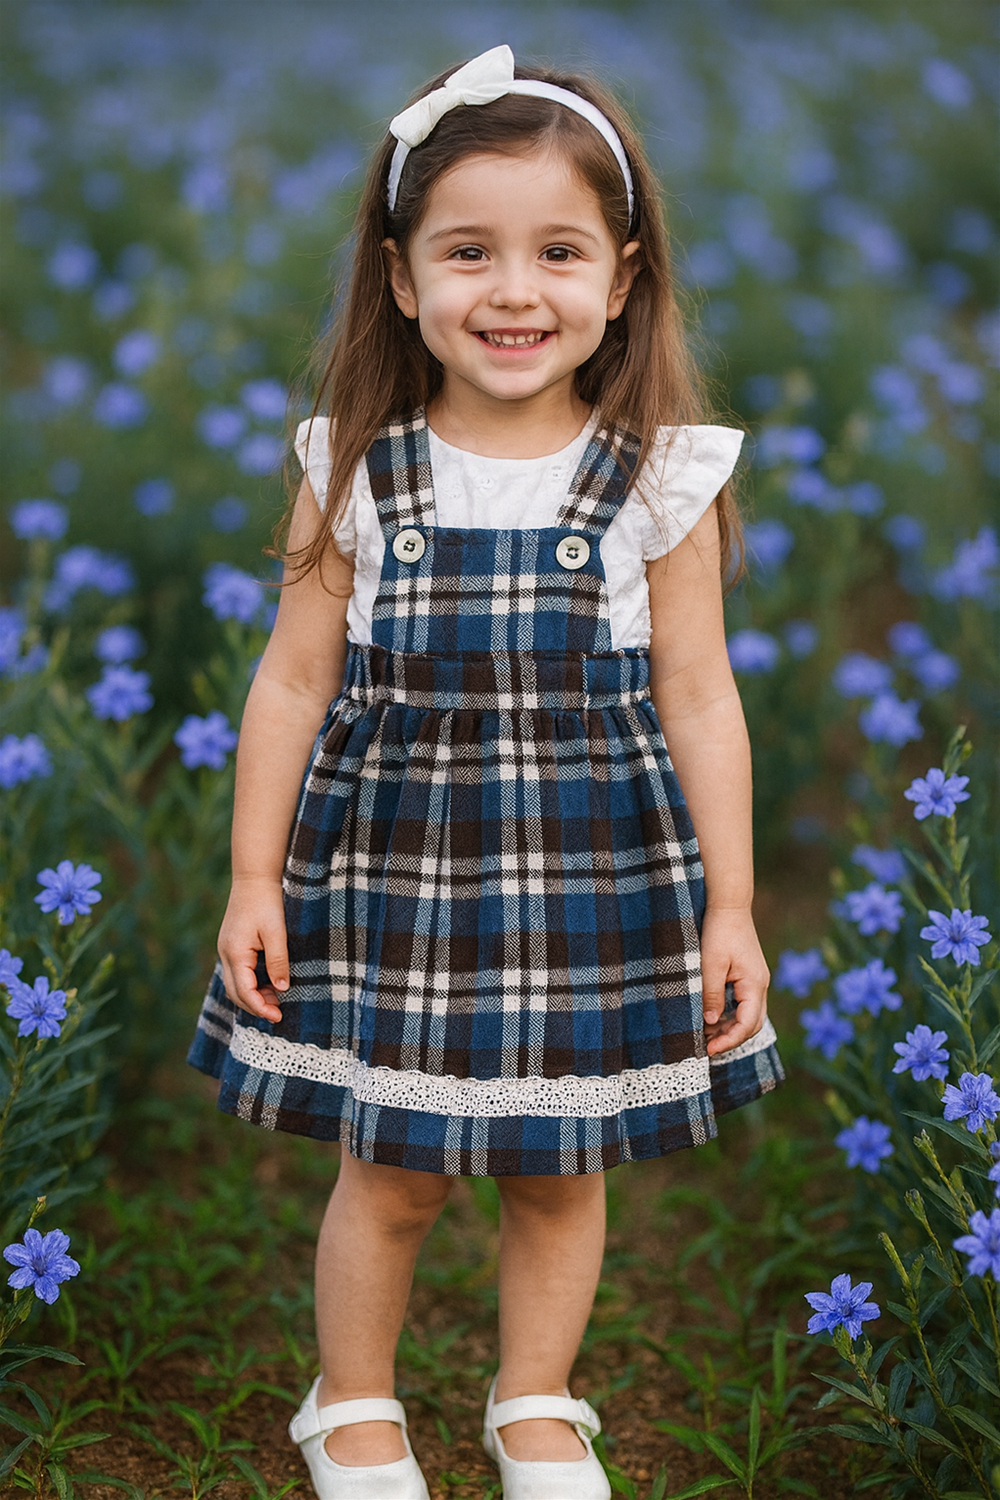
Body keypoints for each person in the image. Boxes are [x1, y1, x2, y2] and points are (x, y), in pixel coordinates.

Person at [188, 44, 784, 1500]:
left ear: (624, 276)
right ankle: (357, 1406)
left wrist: (730, 907)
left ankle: (534, 1402)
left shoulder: (656, 479)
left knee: (556, 1168)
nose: (515, 292)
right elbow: (291, 679)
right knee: (390, 1172)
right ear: (401, 280)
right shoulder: (361, 470)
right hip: (398, 866)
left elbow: (701, 698)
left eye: (558, 252)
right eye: (469, 252)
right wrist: (253, 874)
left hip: (586, 869)